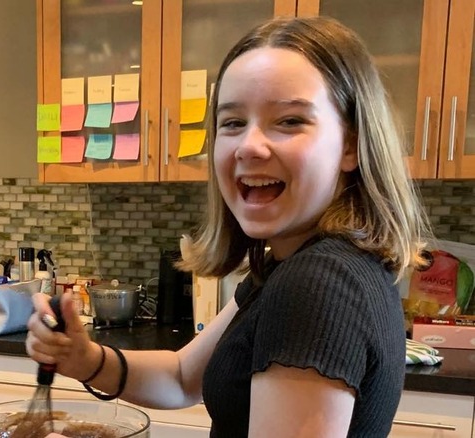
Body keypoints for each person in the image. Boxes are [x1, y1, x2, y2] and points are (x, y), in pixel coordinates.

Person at [26, 16, 430, 438]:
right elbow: (183, 377)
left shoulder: (318, 283)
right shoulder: (289, 266)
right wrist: (87, 359)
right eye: (233, 122)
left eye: (290, 121)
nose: (250, 146)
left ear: (351, 143)